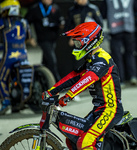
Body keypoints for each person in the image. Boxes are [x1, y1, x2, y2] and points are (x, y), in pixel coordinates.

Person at [42, 22, 124, 150]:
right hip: (99, 109)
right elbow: (74, 76)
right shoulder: (92, 59)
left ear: (89, 41)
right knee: (72, 139)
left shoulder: (103, 59)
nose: (75, 46)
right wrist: (52, 90)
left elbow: (88, 79)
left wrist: (68, 97)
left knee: (84, 143)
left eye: (78, 43)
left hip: (110, 110)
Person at [0, 0, 34, 114]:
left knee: (1, 78)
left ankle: (6, 103)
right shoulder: (24, 22)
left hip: (9, 56)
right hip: (23, 54)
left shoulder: (3, 21)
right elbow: (28, 37)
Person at [100, 0, 137, 87]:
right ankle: (133, 76)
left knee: (117, 55)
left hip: (115, 28)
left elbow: (103, 13)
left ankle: (120, 79)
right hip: (129, 27)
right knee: (130, 53)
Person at [25, 0, 65, 82]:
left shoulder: (55, 7)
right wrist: (29, 37)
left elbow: (60, 21)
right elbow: (25, 23)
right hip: (42, 39)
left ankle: (40, 81)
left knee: (45, 62)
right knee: (51, 61)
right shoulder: (35, 8)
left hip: (53, 39)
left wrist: (61, 25)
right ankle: (58, 83)